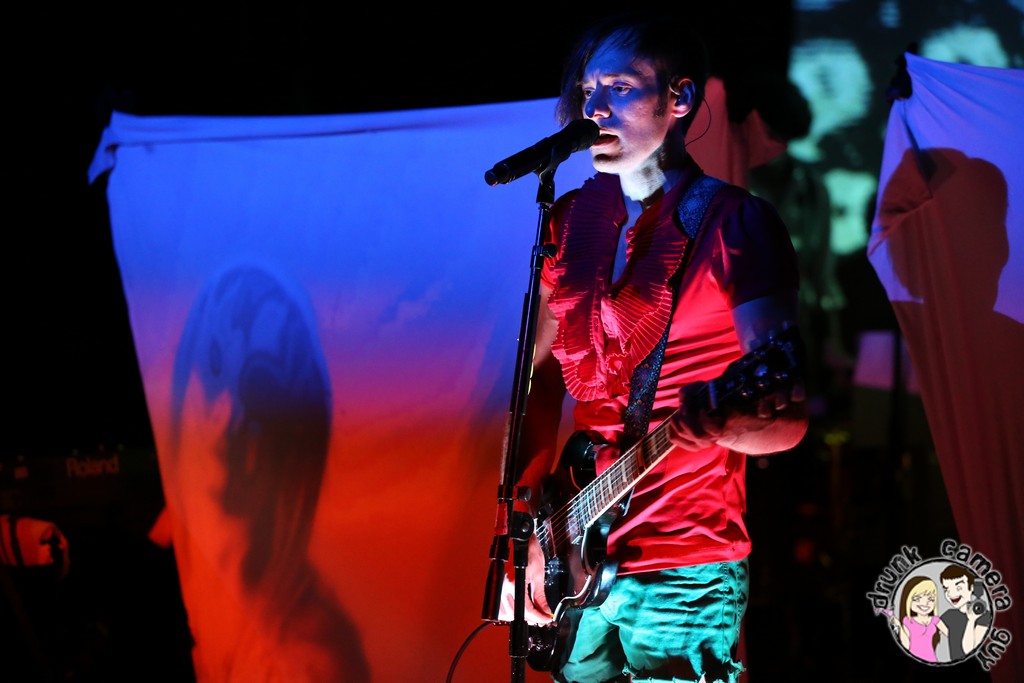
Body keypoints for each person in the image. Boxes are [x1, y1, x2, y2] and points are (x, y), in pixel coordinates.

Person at [497, 10, 809, 683]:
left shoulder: (736, 224)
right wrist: (530, 529)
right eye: (589, 91)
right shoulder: (568, 222)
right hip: (575, 550)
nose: (595, 109)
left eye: (620, 87)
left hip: (685, 563)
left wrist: (722, 423)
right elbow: (542, 377)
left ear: (680, 97)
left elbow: (787, 419)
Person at [939, 564, 992, 660]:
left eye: (958, 588)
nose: (951, 594)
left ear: (971, 587)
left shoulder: (984, 616)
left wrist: (971, 620)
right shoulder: (949, 615)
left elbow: (969, 650)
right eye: (946, 589)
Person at [890, 575, 948, 662]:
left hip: (931, 659)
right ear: (908, 600)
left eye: (931, 599)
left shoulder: (935, 620)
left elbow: (951, 635)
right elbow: (906, 645)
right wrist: (899, 626)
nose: (925, 603)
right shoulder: (908, 621)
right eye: (917, 599)